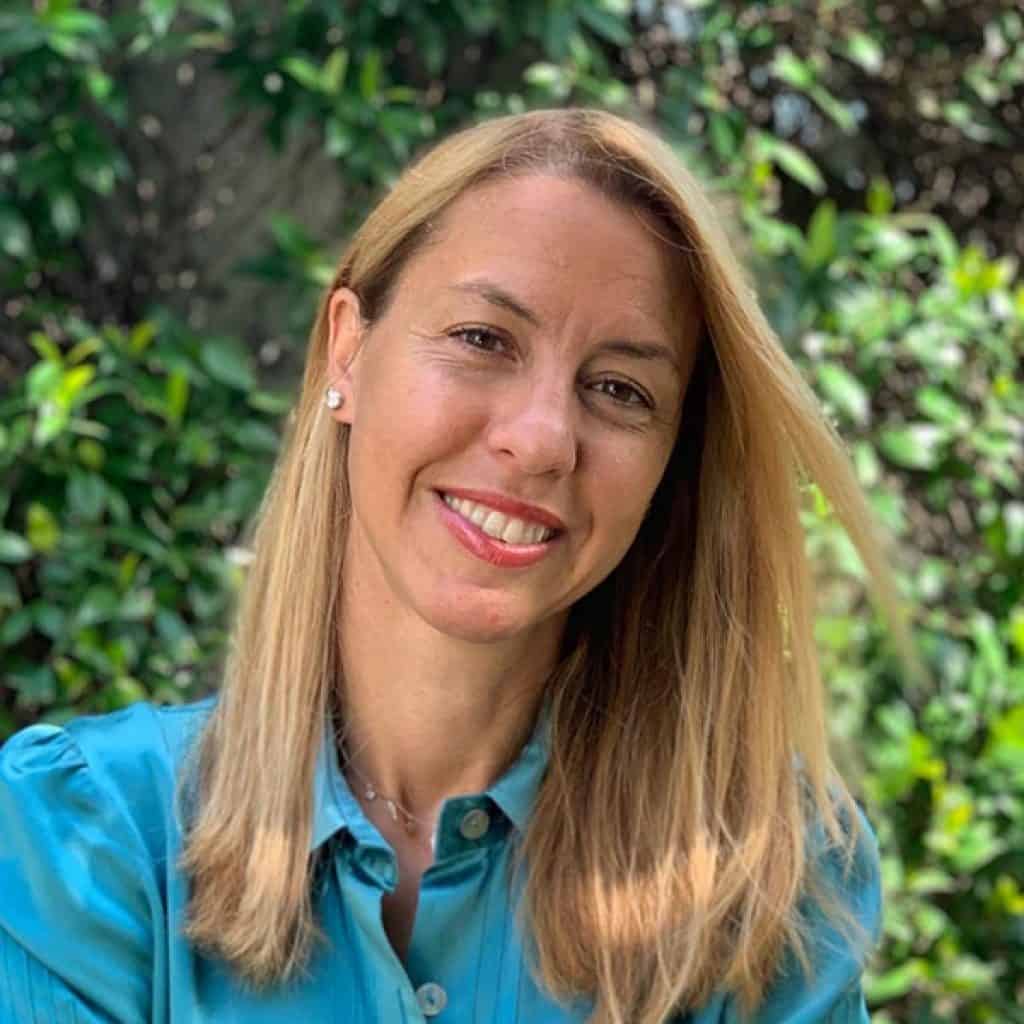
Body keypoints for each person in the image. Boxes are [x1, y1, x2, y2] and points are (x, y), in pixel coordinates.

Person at [0, 107, 915, 1023]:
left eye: (619, 389)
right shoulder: (84, 841)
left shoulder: (767, 888)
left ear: (671, 461)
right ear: (349, 348)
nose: (542, 439)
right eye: (483, 339)